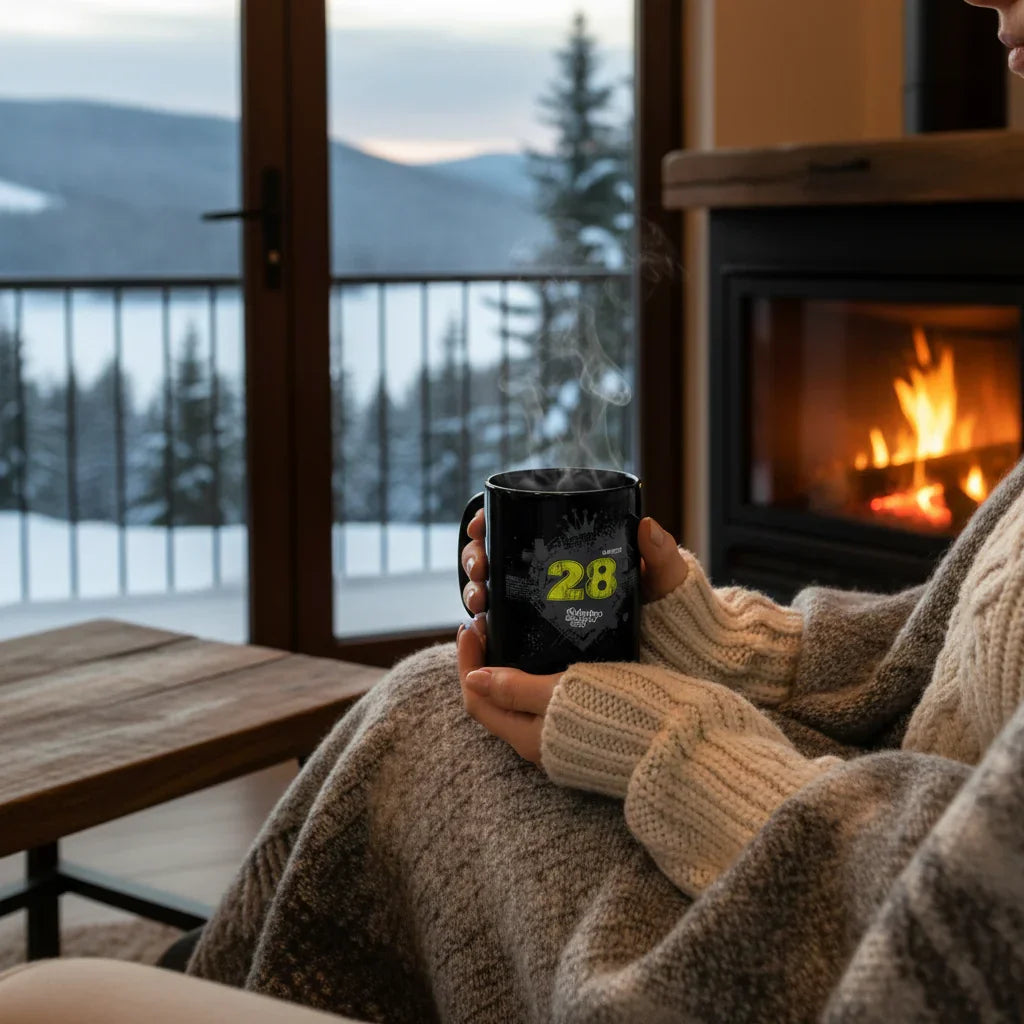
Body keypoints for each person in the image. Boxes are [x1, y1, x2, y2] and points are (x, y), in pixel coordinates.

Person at [182, 4, 1024, 1021]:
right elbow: (943, 648)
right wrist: (715, 640)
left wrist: (685, 751)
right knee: (427, 701)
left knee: (428, 729)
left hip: (847, 918)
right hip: (858, 817)